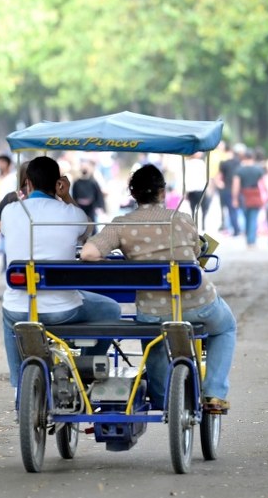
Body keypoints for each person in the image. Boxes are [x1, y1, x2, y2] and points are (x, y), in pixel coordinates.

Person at [80, 164, 237, 413]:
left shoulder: (121, 224)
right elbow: (197, 254)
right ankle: (215, 393)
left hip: (153, 311)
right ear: (162, 193)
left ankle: (162, 397)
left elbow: (88, 253)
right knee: (226, 328)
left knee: (154, 339)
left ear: (134, 194)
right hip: (199, 303)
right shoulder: (182, 219)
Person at [0, 156, 122, 388]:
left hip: (20, 310)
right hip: (62, 310)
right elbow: (86, 231)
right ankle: (84, 370)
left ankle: (18, 388)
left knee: (8, 314)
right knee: (111, 309)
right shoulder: (70, 213)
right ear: (58, 183)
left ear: (28, 182)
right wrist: (65, 196)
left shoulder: (10, 211)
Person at [232, 149, 266, 248]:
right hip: (255, 195)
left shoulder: (239, 170)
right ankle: (251, 240)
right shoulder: (258, 169)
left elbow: (236, 185)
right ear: (252, 158)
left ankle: (249, 238)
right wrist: (266, 195)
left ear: (244, 158)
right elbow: (263, 184)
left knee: (246, 217)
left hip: (244, 195)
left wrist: (235, 198)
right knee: (253, 218)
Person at [70, 162, 107, 228]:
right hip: (80, 207)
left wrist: (100, 207)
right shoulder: (76, 182)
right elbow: (74, 195)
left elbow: (98, 195)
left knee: (92, 226)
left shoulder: (93, 182)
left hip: (91, 207)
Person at [216, 144, 242, 236]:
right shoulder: (238, 162)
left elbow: (218, 177)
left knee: (231, 210)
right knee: (237, 210)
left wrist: (220, 184)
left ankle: (236, 229)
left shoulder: (223, 163)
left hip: (227, 189)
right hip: (238, 189)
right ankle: (238, 228)